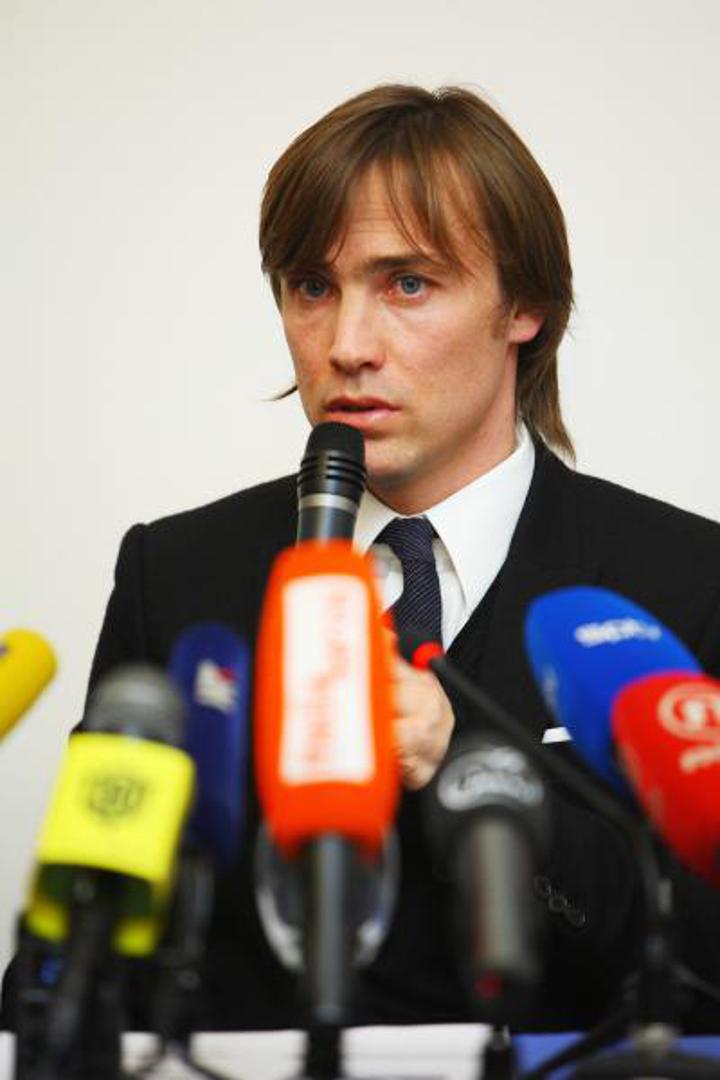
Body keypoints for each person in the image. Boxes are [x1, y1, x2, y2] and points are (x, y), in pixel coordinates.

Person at [7, 84, 720, 1035]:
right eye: (313, 287)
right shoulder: (174, 573)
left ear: (526, 305)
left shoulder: (686, 579)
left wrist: (460, 755)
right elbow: (76, 967)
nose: (345, 346)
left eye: (407, 284)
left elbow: (705, 963)